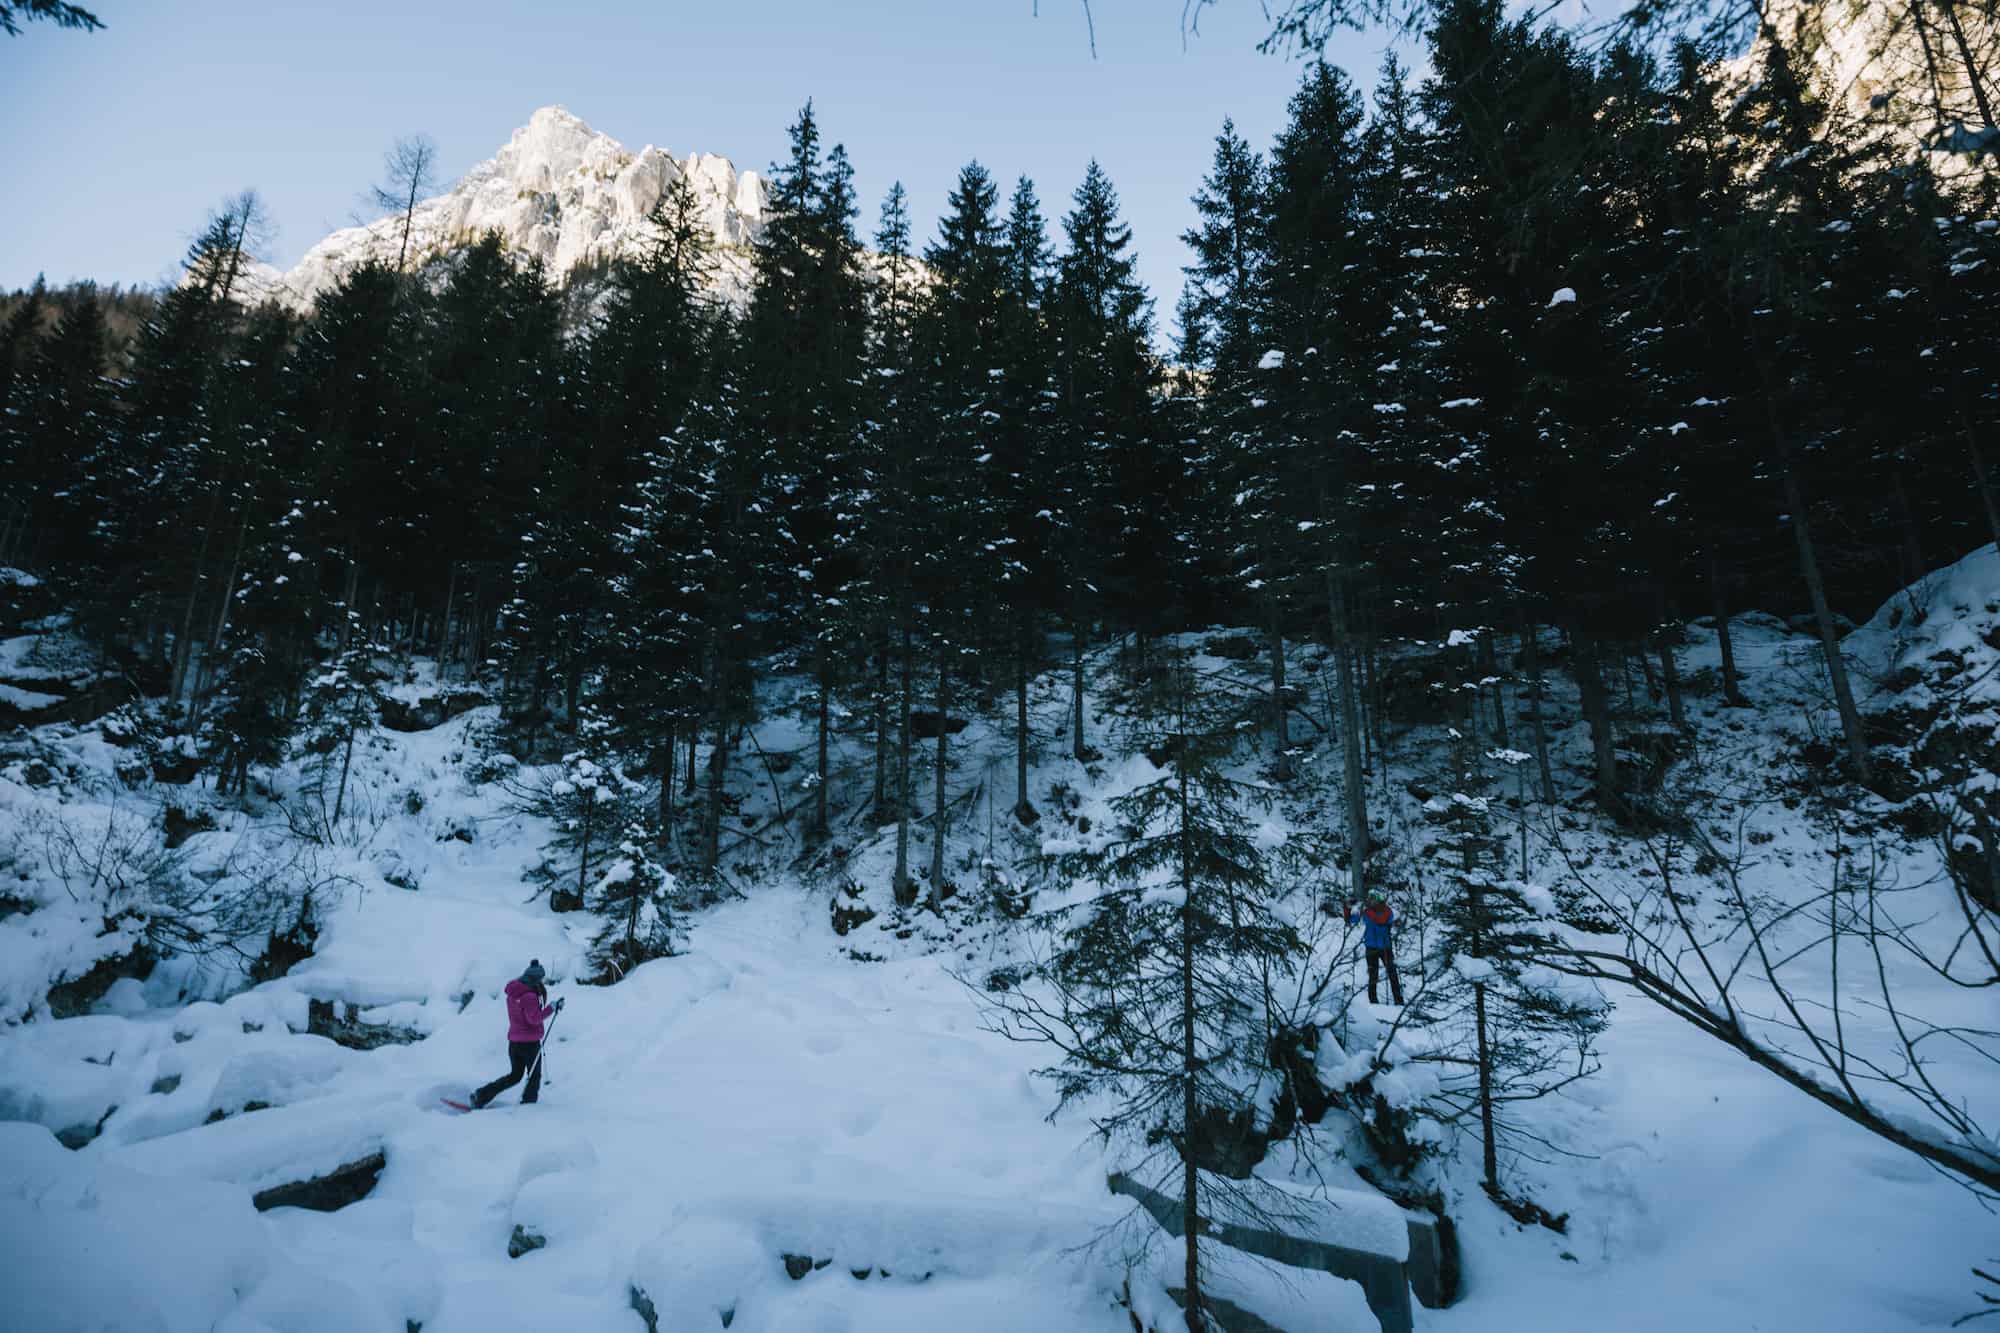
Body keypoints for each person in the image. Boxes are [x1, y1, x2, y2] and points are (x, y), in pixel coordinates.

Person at [471, 959, 562, 1108]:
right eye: (540, 979)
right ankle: (528, 1107)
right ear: (534, 979)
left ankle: (481, 1095)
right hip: (530, 1044)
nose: (542, 982)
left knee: (514, 1076)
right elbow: (534, 1019)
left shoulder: (514, 993)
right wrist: (552, 1008)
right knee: (534, 1076)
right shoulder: (529, 996)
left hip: (514, 1043)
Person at [1346, 890, 1404, 1006]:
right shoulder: (1368, 912)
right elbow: (1351, 920)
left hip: (1384, 947)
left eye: (1372, 899)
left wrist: (1366, 912)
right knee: (1374, 974)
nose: (1369, 900)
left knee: (1391, 974)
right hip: (1373, 947)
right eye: (1369, 898)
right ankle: (1374, 1003)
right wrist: (1347, 908)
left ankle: (1398, 1001)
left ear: (1377, 900)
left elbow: (1382, 921)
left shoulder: (1385, 912)